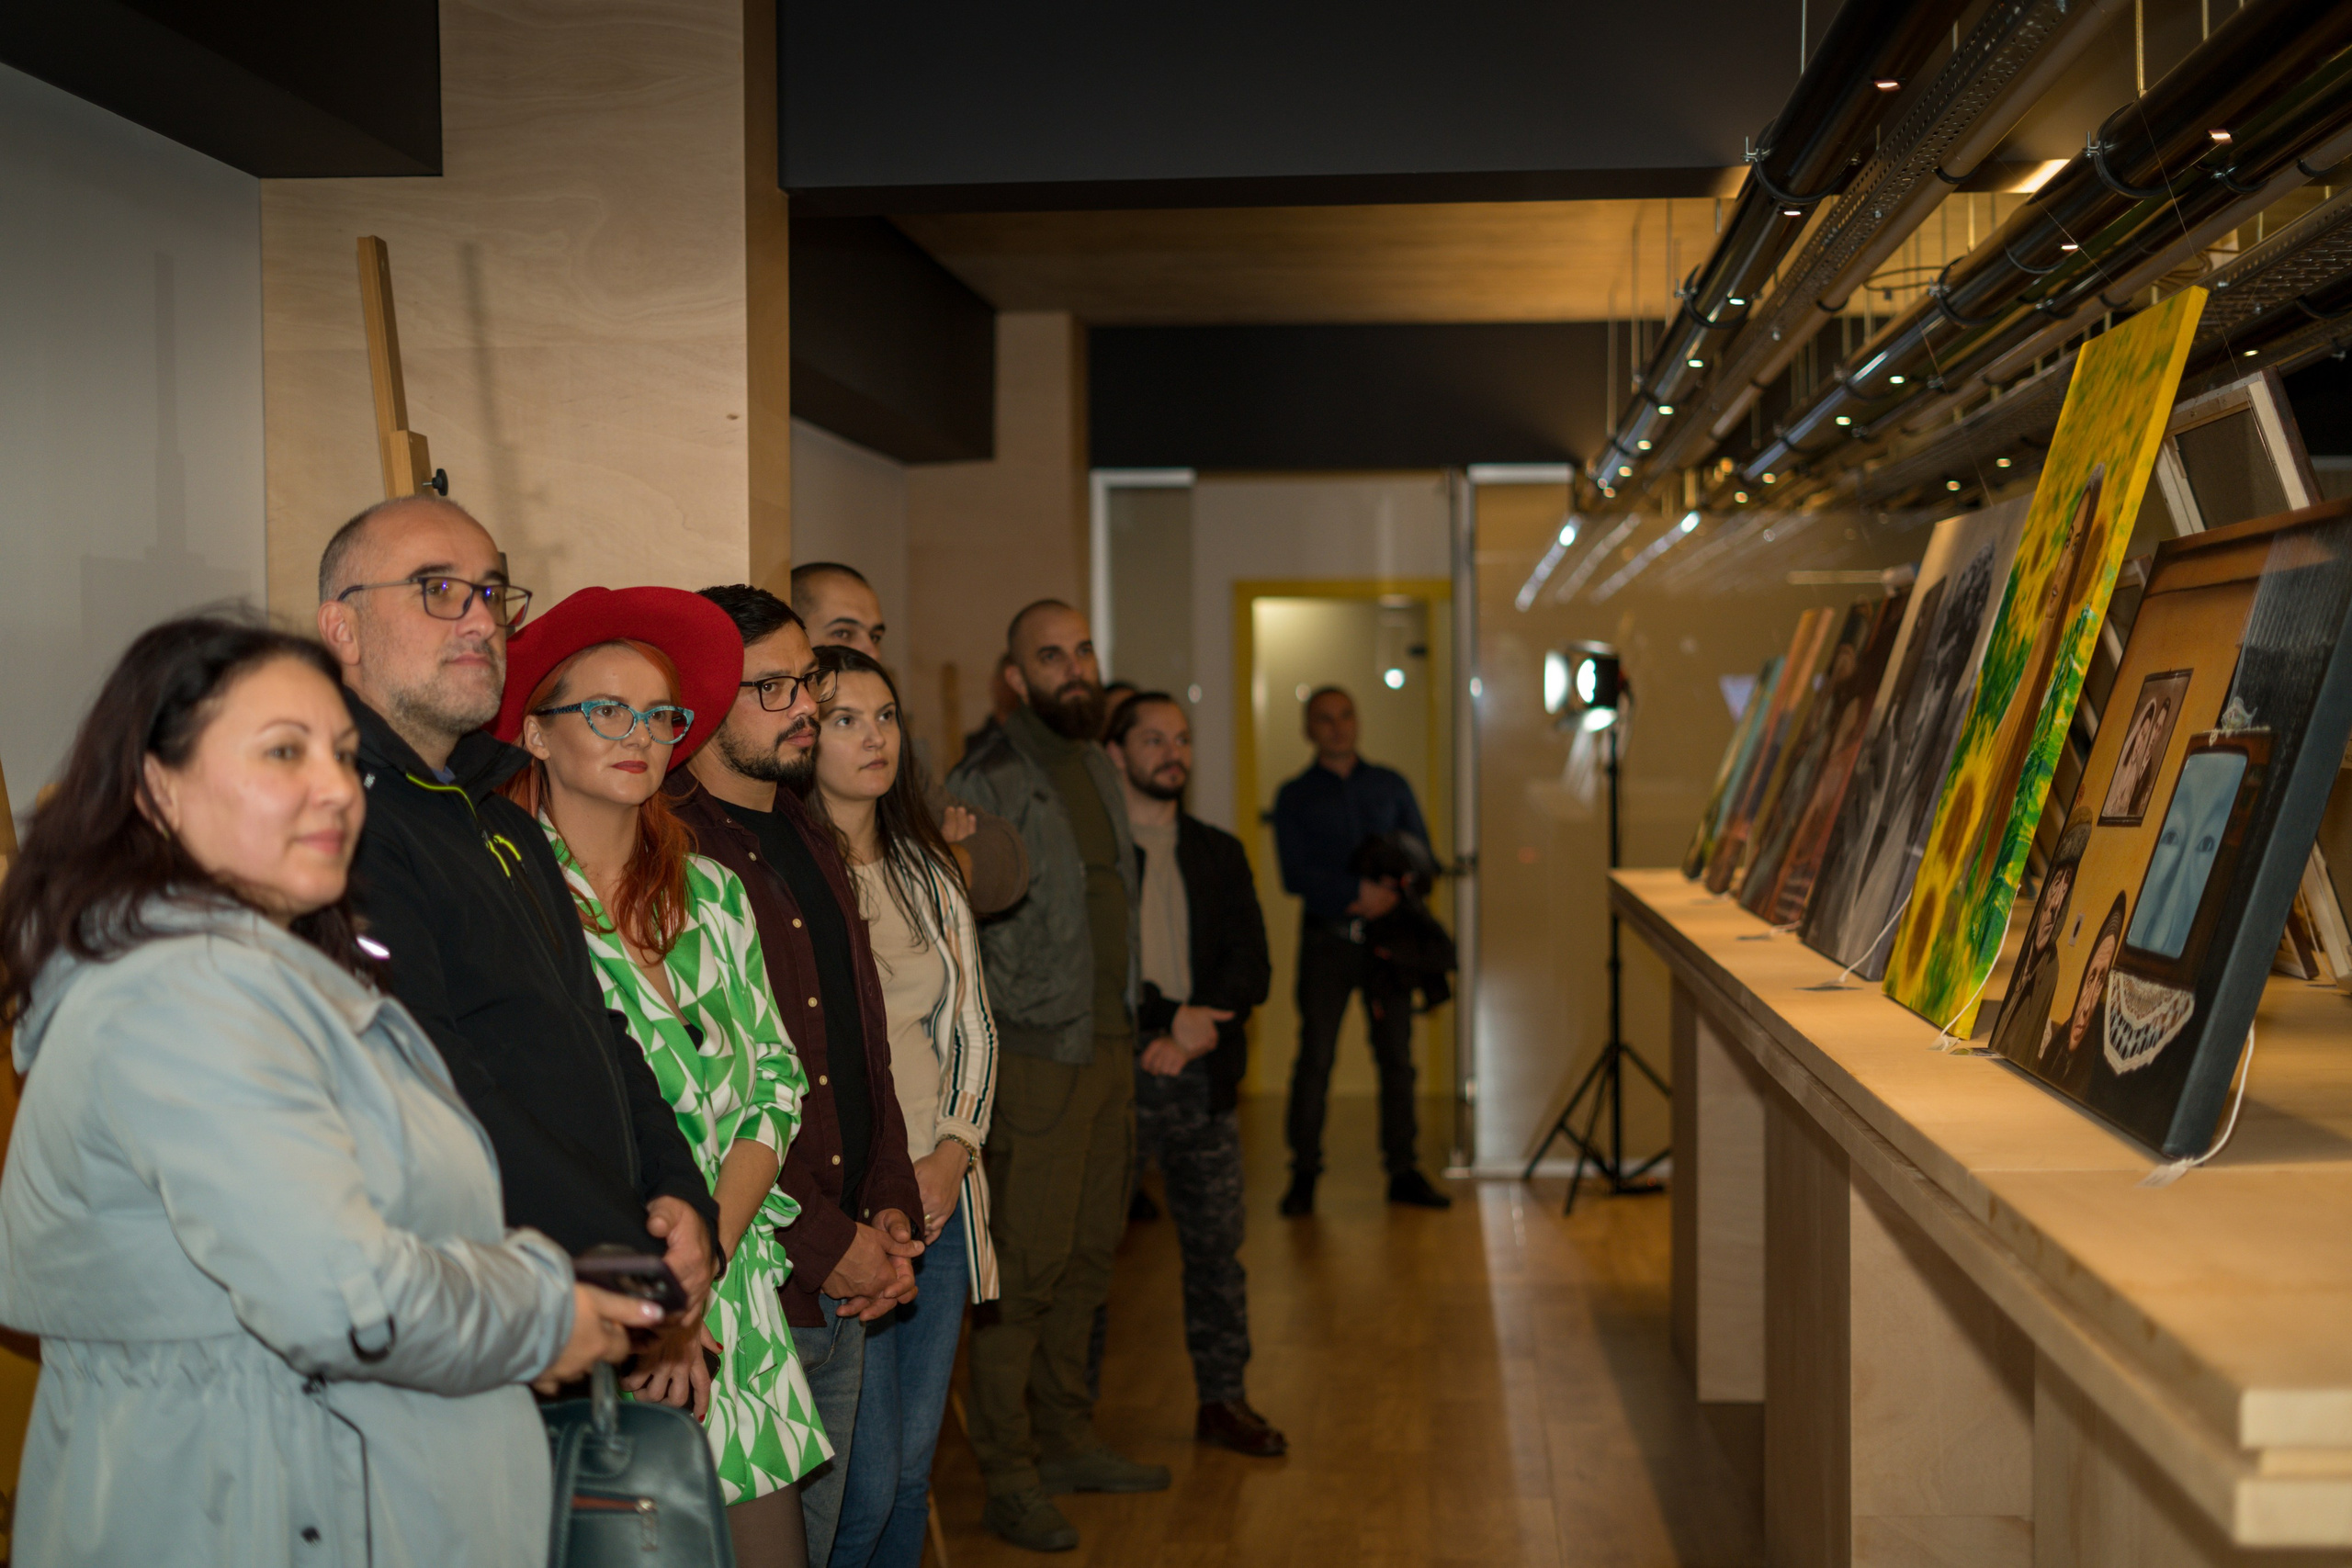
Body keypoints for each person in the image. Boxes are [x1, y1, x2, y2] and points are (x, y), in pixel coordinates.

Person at [0, 618, 659, 1567]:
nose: (335, 789)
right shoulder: (186, 995)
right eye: (282, 752)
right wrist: (543, 1307)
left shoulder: (257, 974)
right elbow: (342, 1296)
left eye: (345, 756)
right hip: (260, 1504)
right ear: (156, 786)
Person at [313, 497, 720, 1362]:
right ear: (340, 627)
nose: (478, 619)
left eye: (492, 593)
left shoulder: (502, 825)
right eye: (437, 589)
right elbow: (429, 1079)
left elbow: (597, 1031)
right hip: (473, 1309)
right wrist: (625, 1247)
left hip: (583, 1283)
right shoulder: (341, 826)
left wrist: (682, 1195)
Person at [499, 587, 830, 1565]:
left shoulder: (715, 892)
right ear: (534, 733)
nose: (637, 733)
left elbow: (776, 1082)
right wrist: (660, 1300)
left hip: (728, 1304)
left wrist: (705, 1264)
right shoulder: (508, 902)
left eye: (659, 714)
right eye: (604, 710)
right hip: (597, 1316)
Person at [671, 582, 929, 1567]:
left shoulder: (806, 827)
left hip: (851, 1260)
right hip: (764, 1284)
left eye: (805, 680)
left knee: (845, 1533)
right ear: (698, 696)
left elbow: (862, 1044)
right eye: (769, 687)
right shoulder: (675, 847)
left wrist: (892, 1204)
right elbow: (701, 1102)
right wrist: (833, 1246)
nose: (804, 708)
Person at [948, 599, 1167, 1552]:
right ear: (1015, 677)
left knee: (1086, 1260)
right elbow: (960, 934)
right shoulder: (986, 778)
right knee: (1024, 1274)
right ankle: (1007, 1474)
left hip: (1108, 1046)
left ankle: (1068, 1437)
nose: (1073, 668)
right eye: (1050, 655)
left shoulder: (1094, 764)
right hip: (1036, 1056)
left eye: (1081, 649)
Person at [808, 646, 1003, 1568]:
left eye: (883, 716)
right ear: (803, 734)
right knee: (862, 1483)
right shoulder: (793, 874)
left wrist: (955, 1151)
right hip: (856, 1209)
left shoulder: (926, 870)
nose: (872, 736)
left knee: (914, 1472)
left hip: (943, 1195)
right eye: (845, 718)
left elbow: (970, 1023)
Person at [1102, 693, 1286, 1459]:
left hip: (1203, 1077)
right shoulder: (1099, 857)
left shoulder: (1218, 850)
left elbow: (1254, 963)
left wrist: (1197, 1022)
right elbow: (1096, 967)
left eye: (1181, 739)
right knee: (1087, 1262)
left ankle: (1224, 1398)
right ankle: (1067, 1421)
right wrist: (1163, 1019)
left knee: (1217, 1252)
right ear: (1117, 754)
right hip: (1114, 1082)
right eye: (1154, 739)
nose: (1173, 752)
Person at [1271, 686, 1452, 1214]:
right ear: (1308, 729)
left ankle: (1403, 1170)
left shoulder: (1390, 785)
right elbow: (1294, 874)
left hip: (1388, 948)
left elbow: (1427, 860)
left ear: (1358, 720)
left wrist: (1394, 892)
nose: (1337, 727)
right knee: (1315, 1059)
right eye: (1324, 719)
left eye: (1346, 715)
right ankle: (1302, 1173)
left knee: (1398, 1059)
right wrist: (1354, 894)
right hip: (1326, 943)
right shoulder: (1294, 796)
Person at [789, 560, 1030, 916]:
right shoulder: (771, 759)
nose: (870, 654)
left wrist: (935, 866)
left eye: (875, 637)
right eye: (843, 633)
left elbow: (1006, 853)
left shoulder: (887, 757)